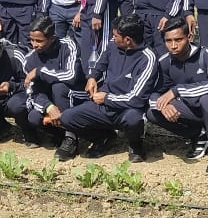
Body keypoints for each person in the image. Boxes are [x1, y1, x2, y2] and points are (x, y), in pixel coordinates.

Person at [60, 14, 158, 162]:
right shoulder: (113, 45)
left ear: (128, 40)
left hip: (127, 108)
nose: (113, 38)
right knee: (67, 118)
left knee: (134, 119)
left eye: (115, 35)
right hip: (104, 104)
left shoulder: (147, 58)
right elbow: (101, 62)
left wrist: (106, 98)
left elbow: (136, 99)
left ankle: (135, 145)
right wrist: (92, 77)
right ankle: (102, 137)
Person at [145, 18, 208, 173]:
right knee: (152, 112)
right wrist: (163, 106)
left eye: (178, 39)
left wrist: (177, 91)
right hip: (191, 109)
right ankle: (198, 136)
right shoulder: (165, 62)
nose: (173, 45)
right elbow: (154, 93)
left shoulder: (206, 55)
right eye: (168, 41)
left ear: (189, 37)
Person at [15, 14, 86, 158]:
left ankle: (71, 137)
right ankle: (60, 135)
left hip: (73, 96)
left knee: (59, 87)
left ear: (52, 38)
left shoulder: (68, 46)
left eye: (39, 41)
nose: (34, 45)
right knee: (34, 118)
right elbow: (33, 92)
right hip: (51, 101)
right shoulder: (29, 60)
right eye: (32, 40)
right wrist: (49, 107)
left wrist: (40, 71)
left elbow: (71, 76)